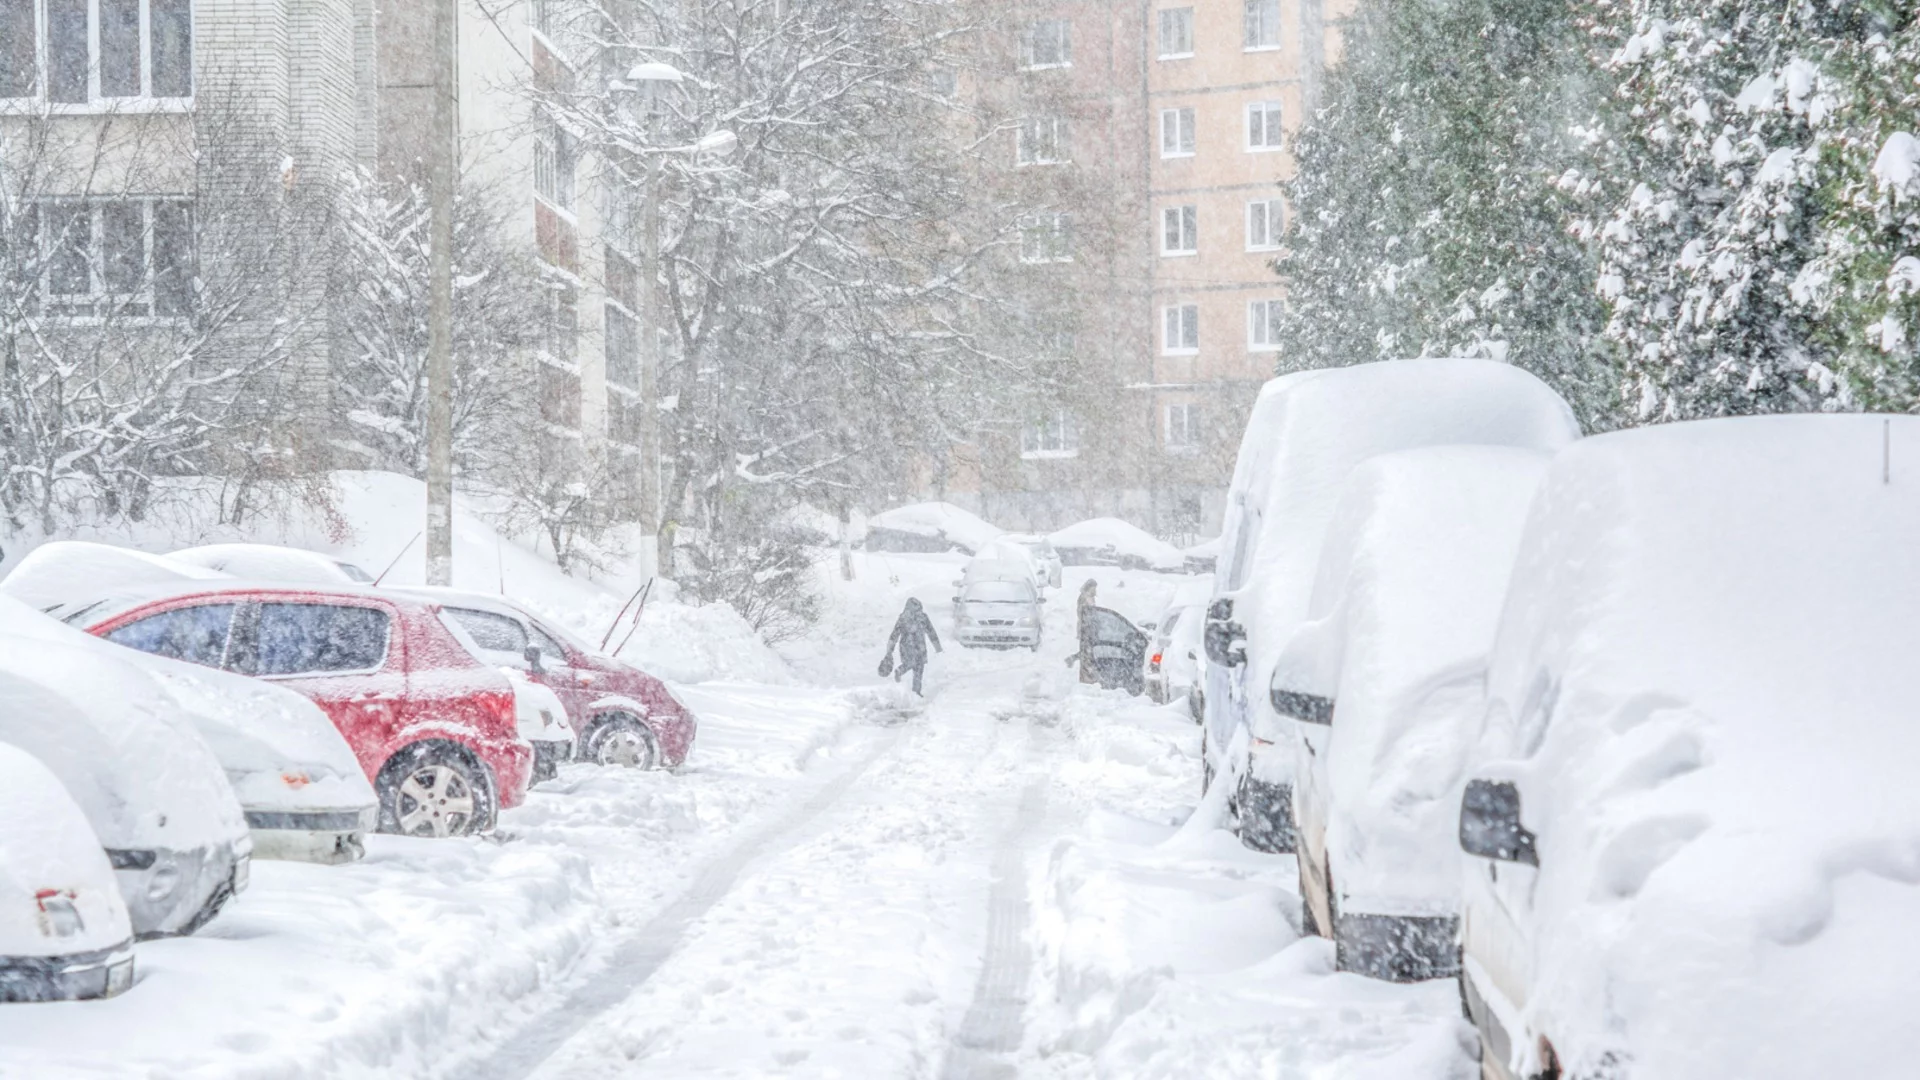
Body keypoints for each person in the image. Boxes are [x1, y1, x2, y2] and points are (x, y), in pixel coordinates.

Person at [886, 597, 942, 695]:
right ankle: (916, 691)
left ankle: (902, 672)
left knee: (911, 663)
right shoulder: (923, 617)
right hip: (920, 646)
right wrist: (937, 647)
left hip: (906, 646)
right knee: (919, 668)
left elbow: (895, 634)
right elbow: (931, 632)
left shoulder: (903, 617)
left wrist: (890, 649)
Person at [1075, 579, 1099, 684]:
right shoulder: (1084, 598)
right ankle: (1085, 677)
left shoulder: (1091, 598)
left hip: (1090, 629)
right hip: (1085, 629)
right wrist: (1088, 623)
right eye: (1094, 587)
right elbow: (1082, 613)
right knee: (1086, 652)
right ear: (1089, 587)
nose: (1095, 590)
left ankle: (1088, 675)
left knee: (1089, 652)